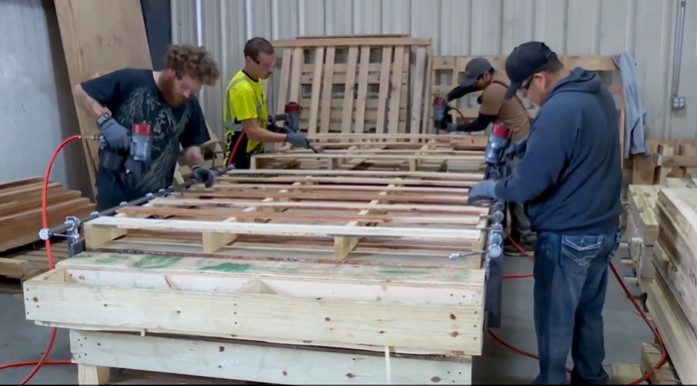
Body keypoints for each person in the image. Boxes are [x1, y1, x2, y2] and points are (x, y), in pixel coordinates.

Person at [467, 41, 623, 385]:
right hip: (603, 229)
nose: (526, 98)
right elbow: (578, 146)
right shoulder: (595, 93)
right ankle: (591, 377)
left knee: (554, 318)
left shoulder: (560, 108)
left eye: (524, 90)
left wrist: (490, 189)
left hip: (569, 234)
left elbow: (527, 186)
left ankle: (552, 380)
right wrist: (527, 146)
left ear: (539, 78)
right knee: (588, 314)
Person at [73, 44, 220, 211]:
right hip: (115, 194)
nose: (187, 95)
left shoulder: (189, 104)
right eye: (184, 87)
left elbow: (192, 146)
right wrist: (106, 122)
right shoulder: (132, 80)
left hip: (156, 198)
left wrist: (197, 166)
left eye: (193, 92)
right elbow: (81, 91)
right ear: (172, 70)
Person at [439, 57, 536, 255]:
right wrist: (447, 98)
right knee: (513, 188)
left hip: (517, 143)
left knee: (516, 192)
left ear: (485, 75)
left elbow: (480, 124)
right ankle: (519, 235)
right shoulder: (497, 78)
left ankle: (528, 240)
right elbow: (468, 88)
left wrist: (453, 127)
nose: (473, 85)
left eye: (476, 80)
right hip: (523, 138)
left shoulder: (493, 91)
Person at [223, 37, 310, 169]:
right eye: (266, 65)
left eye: (272, 65)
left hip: (252, 154)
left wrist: (276, 129)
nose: (271, 70)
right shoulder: (242, 89)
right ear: (249, 60)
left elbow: (254, 121)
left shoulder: (255, 80)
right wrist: (286, 138)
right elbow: (252, 132)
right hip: (239, 157)